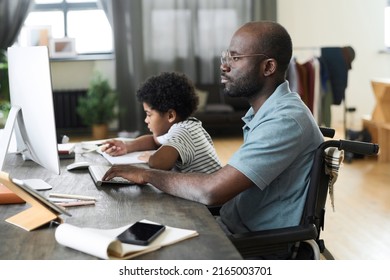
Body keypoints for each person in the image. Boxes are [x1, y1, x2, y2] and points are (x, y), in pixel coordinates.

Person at [103, 21, 323, 239]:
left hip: (251, 243)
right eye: (226, 57)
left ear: (268, 67)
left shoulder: (284, 120)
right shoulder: (267, 113)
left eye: (235, 58)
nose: (224, 66)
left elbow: (211, 191)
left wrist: (146, 175)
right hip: (229, 222)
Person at [101, 71, 222, 174]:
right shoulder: (184, 126)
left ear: (170, 115)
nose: (146, 120)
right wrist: (127, 146)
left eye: (149, 114)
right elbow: (154, 141)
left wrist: (150, 158)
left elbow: (160, 163)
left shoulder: (184, 132)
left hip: (212, 199)